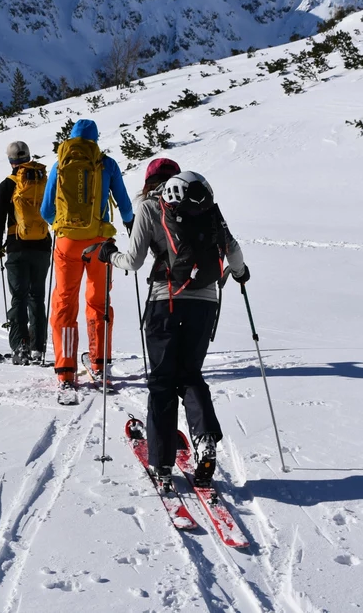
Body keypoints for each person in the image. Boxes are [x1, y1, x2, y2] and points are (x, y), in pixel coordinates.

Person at [98, 168, 249, 491]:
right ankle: (205, 439)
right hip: (206, 302)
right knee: (191, 374)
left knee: (163, 381)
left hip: (164, 302)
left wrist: (109, 254)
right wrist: (241, 273)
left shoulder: (151, 208)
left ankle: (163, 463)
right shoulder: (206, 205)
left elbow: (134, 260)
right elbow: (232, 249)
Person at [41, 119, 134, 399]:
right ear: (95, 139)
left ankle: (66, 370)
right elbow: (126, 205)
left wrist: (63, 225)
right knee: (98, 302)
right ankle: (99, 364)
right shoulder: (107, 164)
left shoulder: (60, 164)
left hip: (67, 244)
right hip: (99, 245)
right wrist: (127, 222)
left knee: (65, 301)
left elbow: (46, 211)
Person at [0, 141, 52, 365]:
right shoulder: (44, 181)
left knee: (19, 297)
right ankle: (38, 348)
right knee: (37, 297)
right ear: (28, 157)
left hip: (17, 246)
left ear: (10, 161)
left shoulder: (8, 184)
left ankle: (20, 346)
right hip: (43, 246)